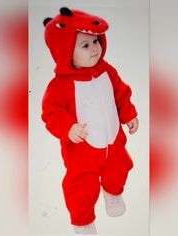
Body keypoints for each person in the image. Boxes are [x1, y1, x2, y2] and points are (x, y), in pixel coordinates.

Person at [41, 7, 139, 234]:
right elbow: (51, 111)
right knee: (81, 187)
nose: (95, 49)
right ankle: (83, 221)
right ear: (65, 50)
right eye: (85, 45)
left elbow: (121, 93)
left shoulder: (107, 71)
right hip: (82, 152)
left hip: (113, 142)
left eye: (96, 42)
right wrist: (68, 127)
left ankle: (113, 193)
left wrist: (129, 113)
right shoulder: (60, 85)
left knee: (119, 168)